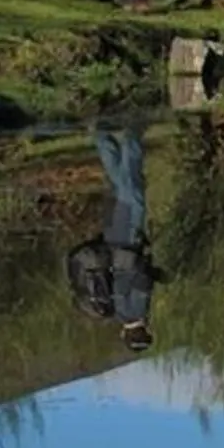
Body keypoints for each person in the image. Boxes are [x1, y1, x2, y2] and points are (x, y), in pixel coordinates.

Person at [66, 124, 158, 352]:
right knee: (122, 189)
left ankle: (131, 132)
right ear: (123, 334)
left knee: (133, 193)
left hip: (127, 242)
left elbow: (141, 280)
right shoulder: (114, 312)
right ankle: (101, 135)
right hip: (110, 244)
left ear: (146, 330)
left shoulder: (137, 310)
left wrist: (155, 273)